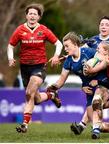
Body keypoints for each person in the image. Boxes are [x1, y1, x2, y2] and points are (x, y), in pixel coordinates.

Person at [70, 15, 109, 135]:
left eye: (106, 25)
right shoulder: (92, 40)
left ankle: (85, 126)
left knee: (99, 102)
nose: (103, 27)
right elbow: (79, 53)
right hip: (93, 78)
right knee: (96, 103)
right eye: (101, 24)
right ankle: (86, 125)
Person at [7, 3, 63, 133]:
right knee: (35, 99)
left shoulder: (43, 30)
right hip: (24, 67)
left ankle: (25, 124)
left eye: (35, 14)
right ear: (26, 15)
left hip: (39, 66)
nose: (32, 16)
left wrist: (55, 56)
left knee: (28, 92)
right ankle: (51, 95)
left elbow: (58, 44)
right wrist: (10, 58)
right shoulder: (20, 30)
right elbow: (10, 45)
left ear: (39, 17)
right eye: (30, 13)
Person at [46, 31, 109, 136]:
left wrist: (94, 71)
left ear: (75, 44)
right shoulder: (68, 62)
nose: (65, 49)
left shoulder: (88, 52)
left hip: (102, 85)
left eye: (67, 46)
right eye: (64, 46)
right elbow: (61, 80)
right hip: (89, 90)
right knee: (95, 122)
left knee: (97, 104)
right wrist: (54, 87)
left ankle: (96, 130)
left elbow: (106, 61)